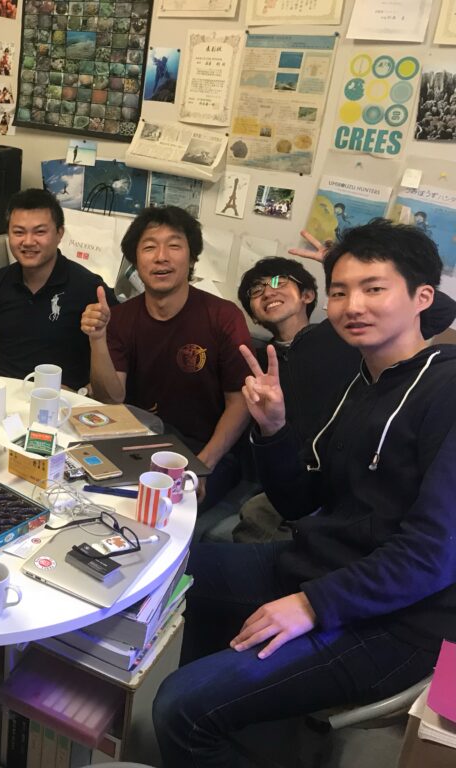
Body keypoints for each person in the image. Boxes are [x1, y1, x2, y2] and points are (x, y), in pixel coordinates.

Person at [152, 220, 456, 767]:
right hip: (316, 565)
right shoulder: (363, 383)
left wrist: (315, 604)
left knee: (180, 708)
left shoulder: (446, 389)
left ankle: (202, 721)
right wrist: (272, 428)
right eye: (340, 291)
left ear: (422, 299)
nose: (352, 305)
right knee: (167, 568)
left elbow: (433, 554)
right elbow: (298, 502)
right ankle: (224, 720)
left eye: (374, 288)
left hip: (395, 621)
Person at [233, 242, 456, 542]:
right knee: (254, 513)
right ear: (255, 317)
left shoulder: (345, 333)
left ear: (308, 296)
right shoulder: (260, 367)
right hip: (304, 476)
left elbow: (438, 309)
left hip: (355, 483)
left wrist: (347, 267)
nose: (267, 292)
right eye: (255, 292)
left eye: (277, 282)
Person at [81, 205, 252, 510]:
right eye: (149, 247)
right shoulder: (119, 319)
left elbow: (240, 402)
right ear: (135, 261)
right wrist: (97, 339)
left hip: (207, 450)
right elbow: (111, 398)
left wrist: (202, 466)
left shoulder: (223, 316)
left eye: (174, 245)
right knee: (90, 496)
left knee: (169, 508)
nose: (161, 256)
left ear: (192, 257)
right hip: (139, 441)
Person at [0, 189, 114, 390]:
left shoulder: (87, 286)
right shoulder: (0, 281)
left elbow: (116, 363)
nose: (28, 241)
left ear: (59, 234)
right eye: (19, 232)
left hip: (58, 398)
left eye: (40, 232)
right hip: (4, 389)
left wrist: (84, 391)